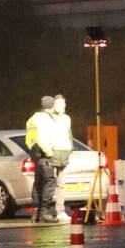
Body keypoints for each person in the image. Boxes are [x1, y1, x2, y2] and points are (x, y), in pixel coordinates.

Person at [26, 96, 61, 223]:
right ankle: (45, 211)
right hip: (44, 154)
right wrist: (49, 153)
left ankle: (36, 212)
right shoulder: (45, 119)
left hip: (35, 153)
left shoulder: (33, 118)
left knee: (38, 182)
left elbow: (29, 139)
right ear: (51, 106)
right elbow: (42, 138)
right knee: (50, 181)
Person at [50, 94, 74, 223]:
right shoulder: (50, 118)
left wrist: (70, 149)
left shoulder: (66, 118)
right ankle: (44, 211)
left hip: (64, 154)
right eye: (57, 103)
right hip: (52, 154)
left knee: (61, 185)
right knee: (48, 184)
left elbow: (69, 135)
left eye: (62, 103)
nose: (59, 106)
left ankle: (60, 211)